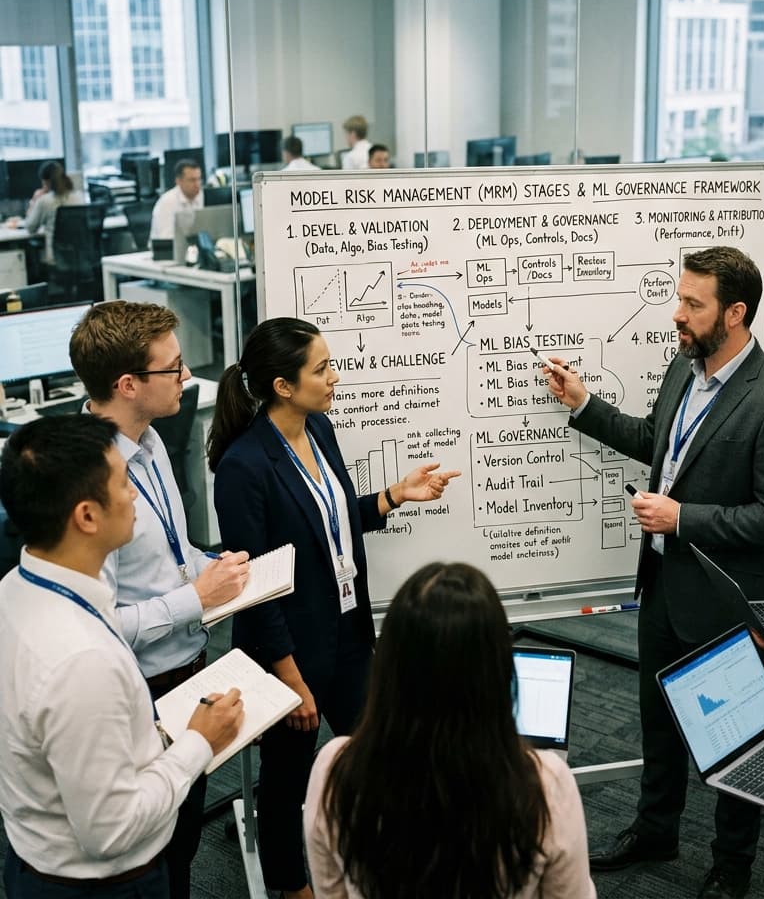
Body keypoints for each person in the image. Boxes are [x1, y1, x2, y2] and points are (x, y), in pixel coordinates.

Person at [543, 246, 764, 899]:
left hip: (724, 603)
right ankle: (655, 829)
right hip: (663, 586)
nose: (677, 315)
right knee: (658, 722)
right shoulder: (683, 369)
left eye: (693, 304)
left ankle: (732, 864)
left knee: (736, 738)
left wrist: (682, 518)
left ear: (735, 313)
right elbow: (655, 442)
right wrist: (584, 403)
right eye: (679, 299)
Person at [207, 317, 460, 899]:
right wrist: (291, 680)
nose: (335, 377)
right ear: (283, 386)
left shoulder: (319, 428)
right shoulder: (244, 467)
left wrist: (394, 496)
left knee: (378, 754)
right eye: (321, 369)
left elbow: (332, 522)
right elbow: (254, 586)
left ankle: (380, 860)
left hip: (347, 631)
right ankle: (291, 886)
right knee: (286, 781)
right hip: (288, 651)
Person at [0, 415, 244, 899]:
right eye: (122, 483)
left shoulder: (14, 588)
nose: (134, 493)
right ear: (87, 517)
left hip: (34, 857)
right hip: (103, 886)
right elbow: (111, 832)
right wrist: (198, 742)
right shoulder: (81, 662)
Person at [69, 300, 251, 899]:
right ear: (128, 385)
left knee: (182, 836)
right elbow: (92, 625)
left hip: (187, 668)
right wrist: (195, 598)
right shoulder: (86, 481)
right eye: (173, 368)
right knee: (151, 848)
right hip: (141, 691)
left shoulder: (148, 445)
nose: (187, 376)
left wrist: (211, 568)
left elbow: (173, 553)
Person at [303, 561, 595, 899]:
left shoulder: (334, 771)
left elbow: (332, 893)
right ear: (498, 671)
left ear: (388, 666)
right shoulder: (545, 784)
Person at [23, 160, 86, 266]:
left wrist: (34, 201)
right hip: (81, 258)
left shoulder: (45, 201)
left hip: (57, 260)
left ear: (45, 182)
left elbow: (30, 228)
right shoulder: (79, 196)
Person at [150, 159, 204, 244]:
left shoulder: (200, 195)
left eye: (199, 179)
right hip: (165, 249)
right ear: (179, 181)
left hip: (191, 247)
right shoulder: (167, 202)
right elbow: (166, 238)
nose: (197, 184)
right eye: (192, 180)